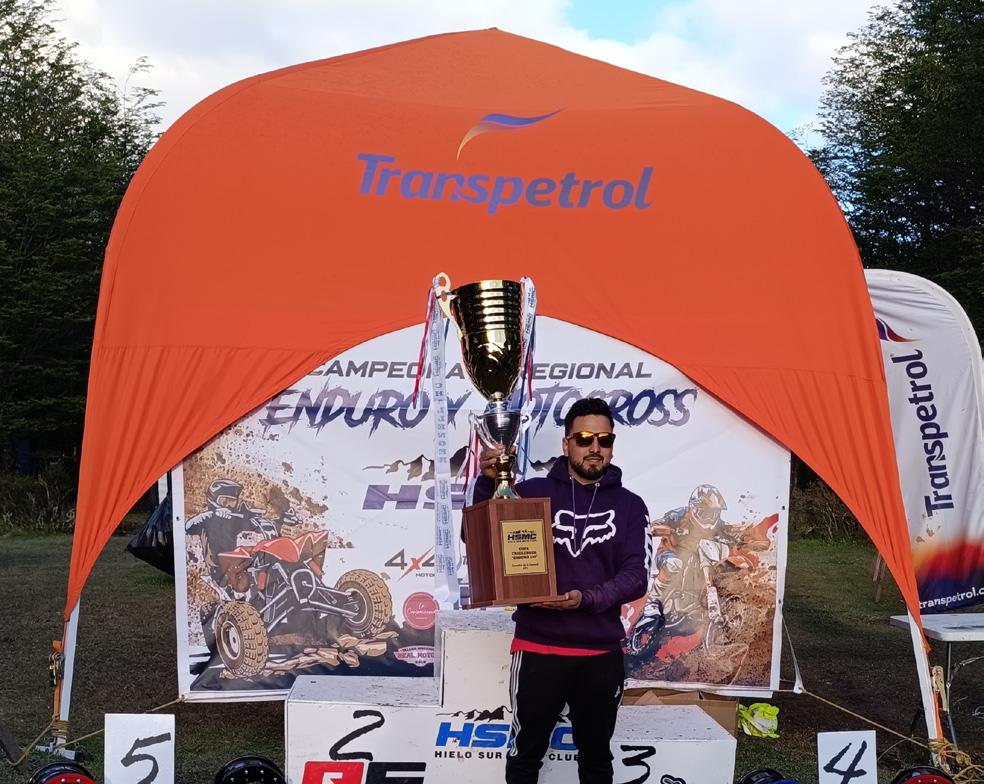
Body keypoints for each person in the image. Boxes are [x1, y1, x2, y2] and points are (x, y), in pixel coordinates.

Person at [472, 397, 650, 784]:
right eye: (584, 438)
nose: (595, 447)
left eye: (604, 439)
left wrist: (587, 599)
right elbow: (483, 541)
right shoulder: (530, 492)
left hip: (600, 654)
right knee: (525, 756)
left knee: (597, 760)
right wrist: (488, 482)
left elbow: (636, 576)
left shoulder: (630, 505)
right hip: (538, 647)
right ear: (566, 444)